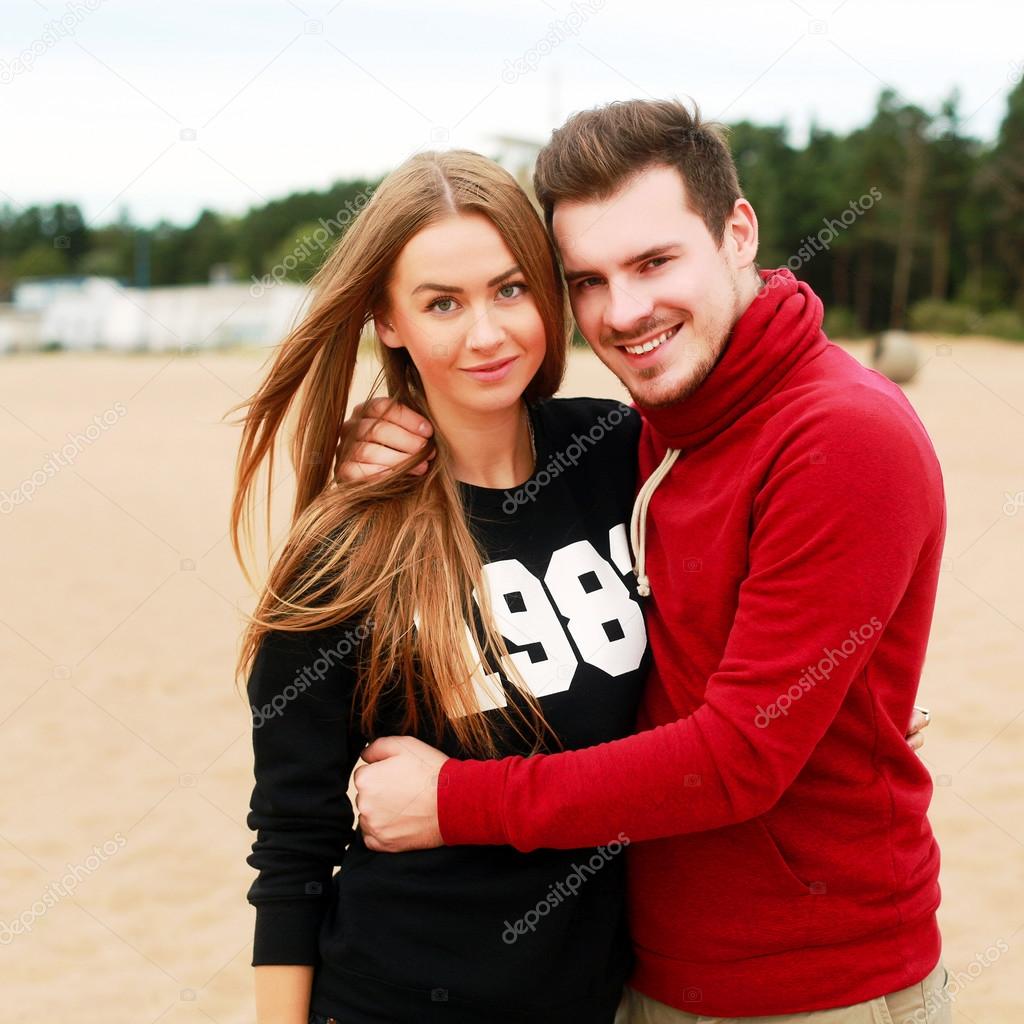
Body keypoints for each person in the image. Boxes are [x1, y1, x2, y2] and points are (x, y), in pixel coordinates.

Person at [343, 99, 950, 1024]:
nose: (622, 312)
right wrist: (397, 434)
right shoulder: (647, 438)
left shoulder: (843, 434)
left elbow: (741, 756)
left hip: (819, 989)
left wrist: (454, 799)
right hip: (644, 974)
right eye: (586, 279)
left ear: (737, 233)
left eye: (655, 262)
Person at [230, 149, 653, 1024]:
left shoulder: (620, 454)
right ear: (389, 321)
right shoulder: (350, 545)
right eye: (441, 303)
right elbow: (292, 839)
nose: (487, 335)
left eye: (509, 289)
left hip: (605, 999)